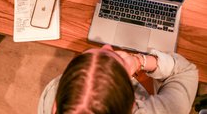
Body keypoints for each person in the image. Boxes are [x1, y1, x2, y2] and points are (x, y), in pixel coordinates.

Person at [38, 44, 198, 114]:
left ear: (55, 107)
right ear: (133, 105)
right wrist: (138, 61)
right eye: (111, 53)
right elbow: (186, 71)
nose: (107, 46)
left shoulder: (51, 92)